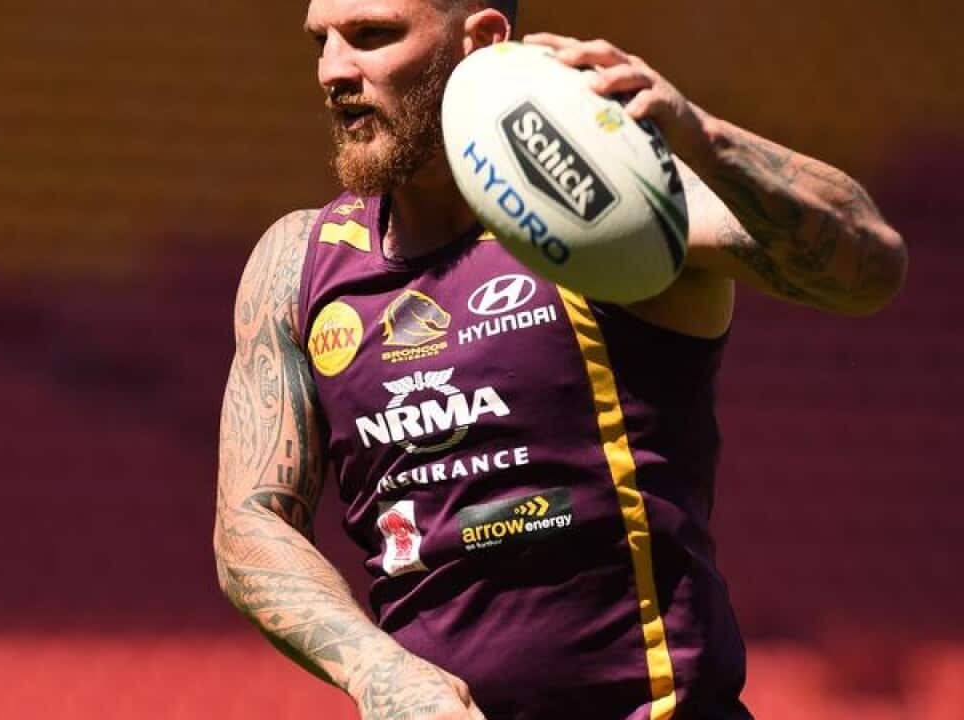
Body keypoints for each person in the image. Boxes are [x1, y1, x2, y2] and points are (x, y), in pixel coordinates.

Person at [213, 0, 907, 718]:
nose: (333, 70)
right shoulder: (299, 263)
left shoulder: (612, 211)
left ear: (480, 40)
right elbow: (251, 522)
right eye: (320, 42)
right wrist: (378, 671)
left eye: (372, 36)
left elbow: (868, 268)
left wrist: (701, 137)